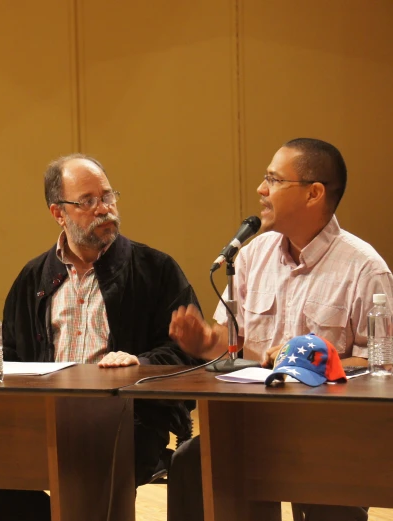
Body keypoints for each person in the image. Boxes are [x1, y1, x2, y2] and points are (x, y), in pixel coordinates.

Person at [0, 154, 200, 521]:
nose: (104, 209)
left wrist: (141, 363)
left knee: (93, 471)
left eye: (108, 196)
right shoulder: (34, 276)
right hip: (42, 416)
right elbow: (18, 347)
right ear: (59, 213)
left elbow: (189, 356)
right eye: (88, 201)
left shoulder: (155, 269)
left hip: (126, 419)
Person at [168, 138, 393, 521]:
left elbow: (382, 366)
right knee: (193, 462)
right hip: (251, 425)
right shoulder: (254, 255)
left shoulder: (364, 268)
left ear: (314, 193)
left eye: (273, 179)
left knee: (329, 496)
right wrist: (207, 342)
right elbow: (235, 345)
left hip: (329, 436)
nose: (261, 189)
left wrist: (311, 357)